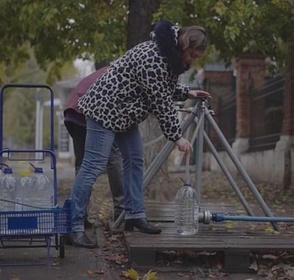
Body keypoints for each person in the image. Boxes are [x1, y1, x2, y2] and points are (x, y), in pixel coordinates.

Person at [67, 19, 211, 248]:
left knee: (135, 159)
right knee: (93, 165)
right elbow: (161, 101)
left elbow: (162, 88)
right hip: (105, 109)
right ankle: (72, 227)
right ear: (183, 45)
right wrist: (177, 137)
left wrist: (187, 92)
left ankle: (134, 215)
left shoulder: (166, 57)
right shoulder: (153, 57)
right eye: (192, 55)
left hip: (124, 114)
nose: (192, 61)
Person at [63, 67, 124, 230]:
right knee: (114, 159)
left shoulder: (112, 70)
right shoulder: (123, 74)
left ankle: (79, 217)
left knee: (83, 166)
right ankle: (120, 212)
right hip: (90, 112)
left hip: (74, 111)